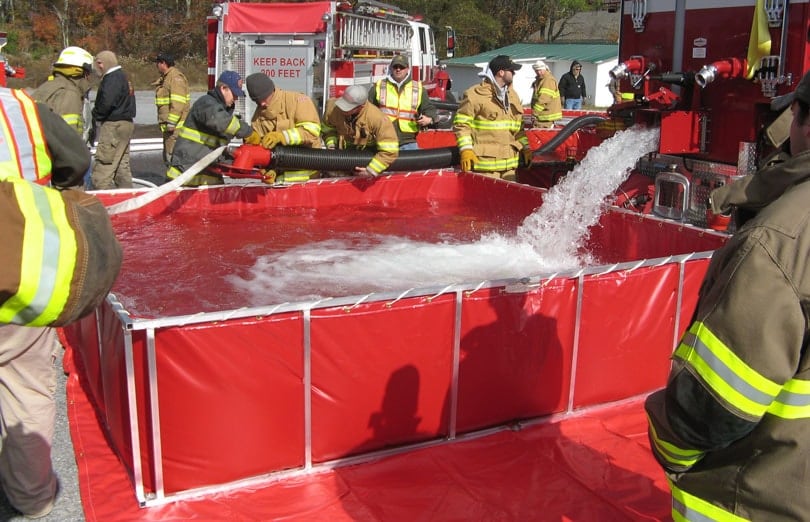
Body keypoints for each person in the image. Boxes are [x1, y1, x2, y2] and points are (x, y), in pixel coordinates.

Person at [645, 69, 810, 521]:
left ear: (801, 119)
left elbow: (715, 404)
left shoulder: (777, 243)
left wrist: (668, 449)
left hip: (758, 499)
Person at [0, 86, 123, 519]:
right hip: (14, 270)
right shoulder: (18, 106)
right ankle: (33, 499)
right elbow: (74, 160)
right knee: (25, 386)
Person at [167, 70, 258, 186]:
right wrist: (248, 132)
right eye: (234, 94)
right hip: (185, 175)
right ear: (223, 88)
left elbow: (217, 149)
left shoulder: (222, 110)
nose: (235, 98)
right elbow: (221, 121)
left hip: (206, 176)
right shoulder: (206, 104)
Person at [453, 55, 530, 181]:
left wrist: (526, 149)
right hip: (486, 168)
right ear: (501, 72)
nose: (514, 73)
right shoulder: (475, 95)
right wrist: (466, 150)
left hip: (509, 167)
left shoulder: (513, 96)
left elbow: (518, 129)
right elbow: (462, 125)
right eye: (511, 71)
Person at [245, 72, 322, 183]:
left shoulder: (298, 101)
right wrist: (266, 171)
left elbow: (311, 132)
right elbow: (261, 153)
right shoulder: (257, 119)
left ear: (272, 90)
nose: (262, 103)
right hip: (280, 184)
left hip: (308, 179)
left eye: (264, 98)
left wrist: (282, 136)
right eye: (257, 100)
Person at [322, 84, 399, 177]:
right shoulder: (333, 108)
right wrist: (331, 144)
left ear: (360, 107)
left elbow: (390, 151)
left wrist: (371, 170)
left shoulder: (378, 119)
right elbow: (328, 129)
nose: (342, 109)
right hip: (342, 156)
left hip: (367, 157)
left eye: (348, 107)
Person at [368, 55, 437, 150]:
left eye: (402, 67)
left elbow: (428, 108)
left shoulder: (418, 88)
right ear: (391, 68)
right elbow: (367, 109)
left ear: (407, 69)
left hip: (408, 141)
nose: (398, 69)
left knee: (413, 164)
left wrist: (429, 118)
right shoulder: (379, 86)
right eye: (395, 67)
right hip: (384, 139)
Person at [91, 50, 136, 189]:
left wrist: (95, 114)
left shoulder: (111, 78)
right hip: (126, 123)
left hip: (113, 126)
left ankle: (103, 204)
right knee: (121, 169)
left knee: (103, 171)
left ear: (101, 64)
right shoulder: (123, 77)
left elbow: (106, 103)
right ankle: (128, 200)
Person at [33, 46, 94, 137]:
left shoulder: (47, 86)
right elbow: (68, 137)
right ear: (83, 72)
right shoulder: (69, 93)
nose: (90, 77)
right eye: (89, 73)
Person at [152, 52, 190, 166]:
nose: (156, 66)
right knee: (169, 156)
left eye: (157, 63)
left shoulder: (175, 78)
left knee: (173, 157)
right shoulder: (166, 78)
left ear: (163, 63)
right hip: (169, 128)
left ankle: (177, 182)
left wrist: (171, 123)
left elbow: (178, 103)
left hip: (175, 128)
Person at [530, 60, 562, 128]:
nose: (538, 72)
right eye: (536, 70)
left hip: (546, 117)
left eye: (540, 70)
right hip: (542, 116)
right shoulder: (540, 80)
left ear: (545, 69)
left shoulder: (548, 80)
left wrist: (535, 113)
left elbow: (543, 100)